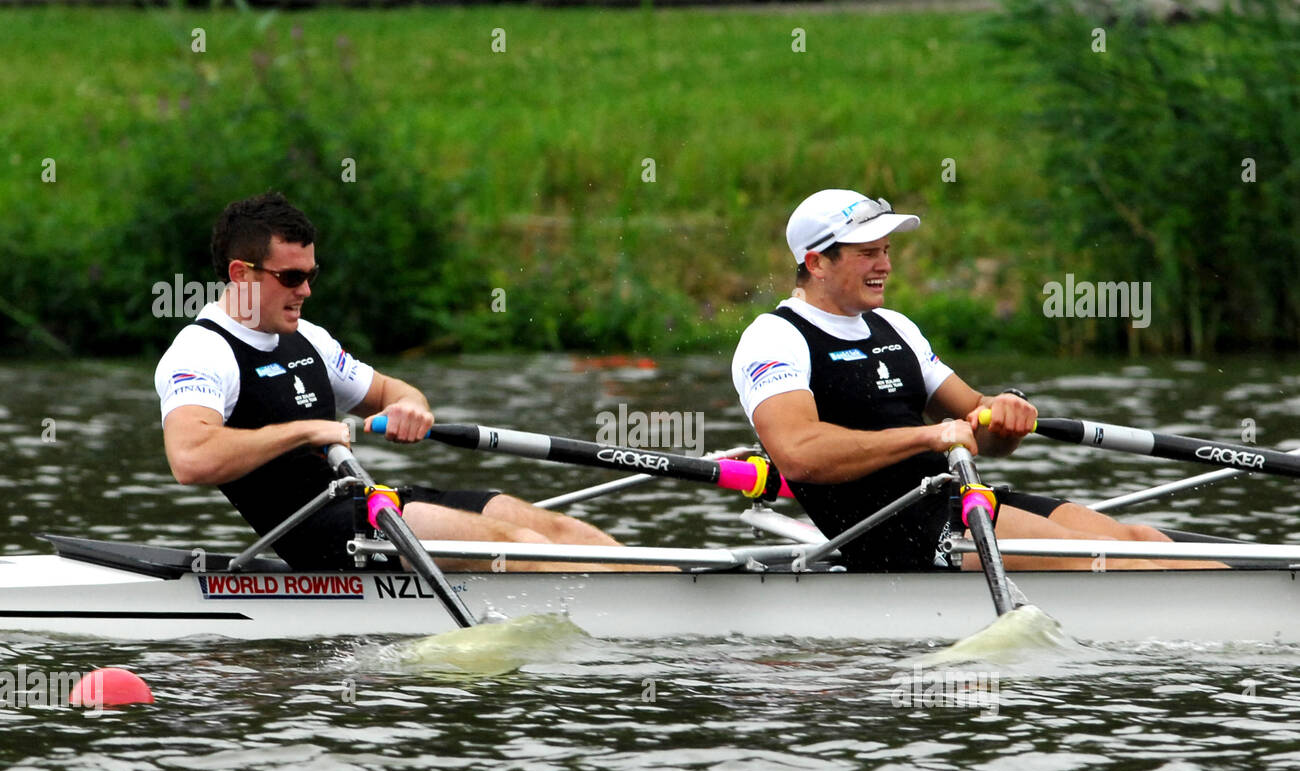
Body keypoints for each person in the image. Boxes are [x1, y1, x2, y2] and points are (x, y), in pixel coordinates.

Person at [154, 191, 630, 572]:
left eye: (312, 273)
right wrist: (304, 431)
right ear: (241, 274)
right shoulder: (201, 352)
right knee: (524, 546)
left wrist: (412, 404)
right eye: (292, 276)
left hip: (371, 505)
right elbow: (190, 459)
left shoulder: (309, 339)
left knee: (565, 533)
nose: (307, 290)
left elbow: (389, 392)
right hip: (316, 535)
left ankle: (676, 595)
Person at [731, 188, 1201, 572]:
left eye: (887, 251)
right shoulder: (775, 338)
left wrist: (1006, 412)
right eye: (867, 253)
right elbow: (798, 453)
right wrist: (928, 436)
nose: (885, 265)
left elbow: (979, 422)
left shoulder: (896, 327)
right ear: (816, 263)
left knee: (1143, 539)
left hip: (961, 502)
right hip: (894, 533)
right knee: (1113, 562)